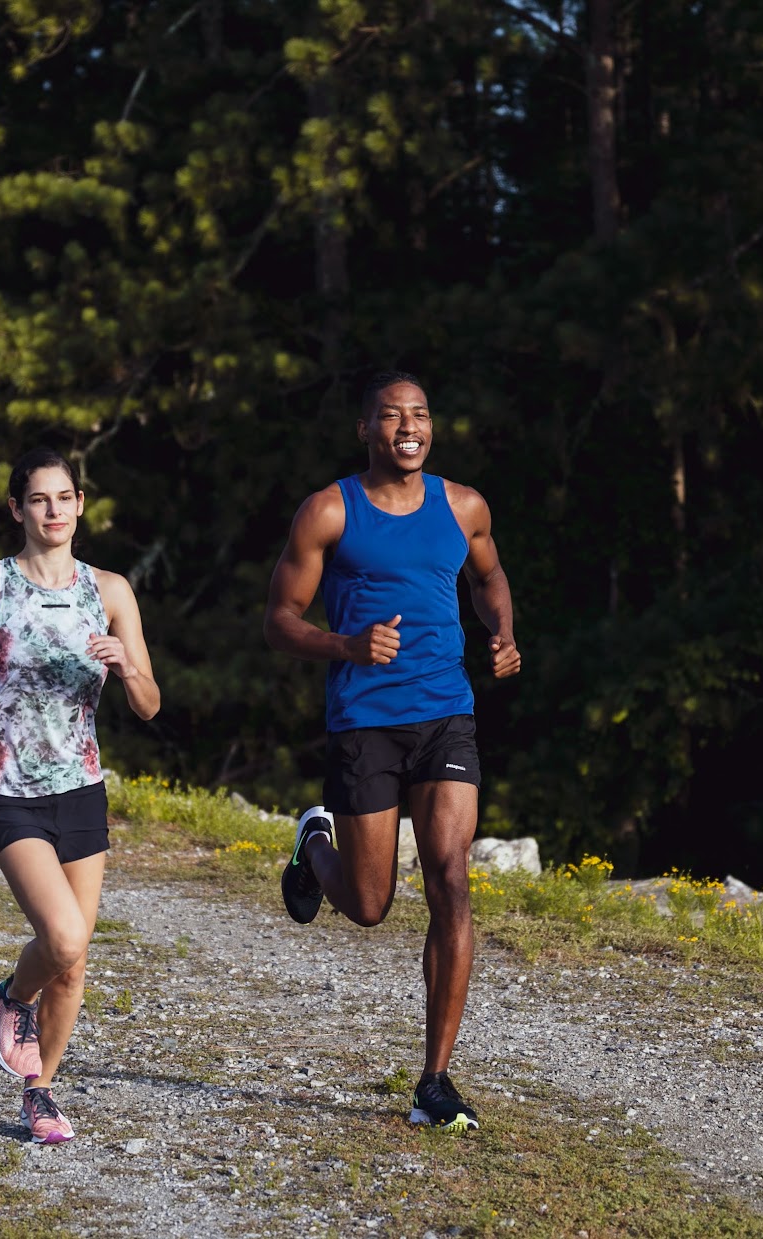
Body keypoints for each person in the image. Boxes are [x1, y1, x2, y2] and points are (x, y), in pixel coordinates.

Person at [263, 371, 520, 1131]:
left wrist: (500, 630)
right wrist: (344, 643)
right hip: (363, 720)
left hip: (446, 713)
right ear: (365, 429)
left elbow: (490, 573)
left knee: (450, 878)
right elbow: (279, 617)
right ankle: (315, 843)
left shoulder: (463, 504)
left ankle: (433, 1081)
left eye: (419, 413)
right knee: (371, 904)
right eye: (390, 414)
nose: (408, 425)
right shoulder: (329, 511)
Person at [0, 447, 159, 1145]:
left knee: (74, 960)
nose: (53, 510)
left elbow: (147, 703)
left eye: (64, 498)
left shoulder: (109, 591)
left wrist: (124, 661)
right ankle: (12, 997)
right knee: (63, 935)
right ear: (18, 509)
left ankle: (39, 1090)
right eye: (39, 499)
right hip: (6, 788)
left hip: (80, 788)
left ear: (81, 505)